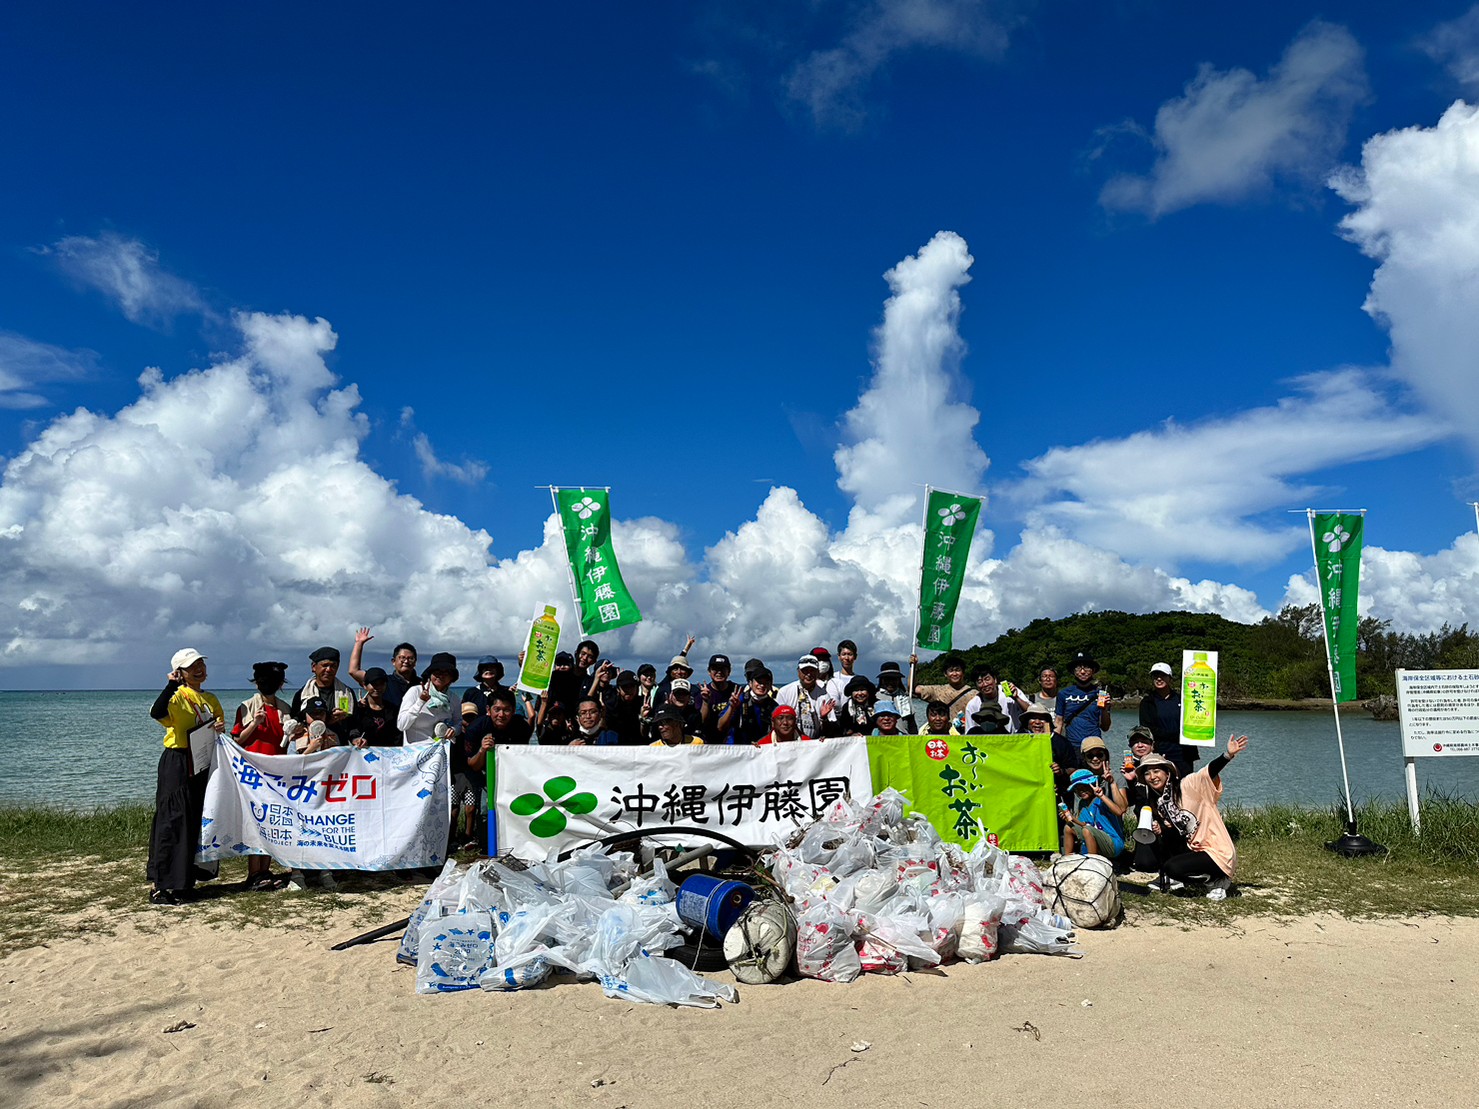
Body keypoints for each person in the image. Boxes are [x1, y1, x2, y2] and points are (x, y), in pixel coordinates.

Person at [147, 649, 224, 905]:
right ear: (181, 672)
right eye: (193, 666)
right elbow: (157, 713)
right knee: (172, 821)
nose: (199, 669)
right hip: (177, 760)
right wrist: (170, 685)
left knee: (194, 821)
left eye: (201, 664)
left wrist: (220, 730)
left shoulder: (210, 699)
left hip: (201, 762)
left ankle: (185, 882)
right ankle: (162, 885)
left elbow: (218, 730)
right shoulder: (177, 696)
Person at [1139, 735, 1248, 899]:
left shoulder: (1188, 786)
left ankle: (1217, 880)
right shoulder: (1163, 804)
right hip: (1196, 849)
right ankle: (1178, 878)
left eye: (1156, 771)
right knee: (1166, 840)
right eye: (1147, 774)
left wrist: (1227, 755)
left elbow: (1209, 771)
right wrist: (1161, 829)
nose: (1152, 777)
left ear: (1168, 773)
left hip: (1217, 851)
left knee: (1172, 868)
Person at [230, 661, 292, 892]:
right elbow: (237, 741)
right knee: (255, 822)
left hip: (277, 772)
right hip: (253, 774)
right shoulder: (246, 707)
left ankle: (265, 869)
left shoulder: (285, 708)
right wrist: (255, 723)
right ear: (256, 683)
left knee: (271, 821)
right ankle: (253, 873)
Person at [461, 689, 533, 844]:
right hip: (482, 775)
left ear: (513, 711)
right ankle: (485, 845)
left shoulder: (522, 727)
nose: (501, 715)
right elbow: (472, 765)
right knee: (485, 810)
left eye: (507, 710)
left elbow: (525, 759)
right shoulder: (475, 728)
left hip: (511, 774)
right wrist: (482, 750)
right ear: (488, 710)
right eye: (497, 709)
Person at [1139, 661, 1198, 778]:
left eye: (1163, 675)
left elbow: (1194, 722)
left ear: (1170, 678)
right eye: (1156, 676)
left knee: (1184, 788)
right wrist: (1177, 735)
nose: (1159, 679)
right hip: (1159, 753)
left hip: (1183, 754)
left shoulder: (1185, 700)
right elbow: (1148, 730)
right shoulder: (1147, 702)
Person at [1054, 651, 1110, 768]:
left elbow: (1105, 727)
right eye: (1078, 668)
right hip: (1072, 746)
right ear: (1073, 671)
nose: (1083, 671)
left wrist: (1105, 709)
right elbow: (1059, 722)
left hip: (1095, 747)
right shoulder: (1064, 694)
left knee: (1098, 782)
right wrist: (1054, 745)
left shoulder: (1100, 694)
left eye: (1087, 668)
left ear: (1093, 670)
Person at [291, 646, 356, 742]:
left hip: (339, 748)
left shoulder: (347, 693)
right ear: (314, 667)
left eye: (333, 666)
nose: (329, 669)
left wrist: (356, 738)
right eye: (325, 665)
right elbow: (297, 722)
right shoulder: (301, 695)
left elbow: (354, 723)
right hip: (310, 748)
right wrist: (328, 720)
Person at [348, 628, 419, 715]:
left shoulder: (422, 684)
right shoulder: (383, 681)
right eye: (402, 658)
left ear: (415, 662)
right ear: (393, 661)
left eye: (410, 658)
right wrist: (359, 643)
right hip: (389, 725)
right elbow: (354, 671)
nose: (406, 661)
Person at [1059, 769, 1126, 859]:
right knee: (1069, 827)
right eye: (1077, 789)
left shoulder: (1101, 800)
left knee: (1088, 830)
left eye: (1084, 787)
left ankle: (1093, 863)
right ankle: (1067, 859)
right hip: (1092, 836)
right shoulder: (1082, 804)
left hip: (1113, 842)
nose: (1081, 791)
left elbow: (1119, 812)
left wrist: (1102, 796)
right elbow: (1084, 825)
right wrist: (1071, 818)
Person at [397, 653, 460, 744]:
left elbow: (458, 722)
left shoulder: (454, 699)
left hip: (441, 752)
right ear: (430, 674)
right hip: (415, 752)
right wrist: (420, 701)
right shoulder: (415, 692)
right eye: (437, 672)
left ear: (452, 677)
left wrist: (454, 729)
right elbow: (401, 725)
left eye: (446, 673)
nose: (441, 676)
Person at [775, 655, 835, 738]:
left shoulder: (824, 695)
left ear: (817, 672)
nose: (809, 674)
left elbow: (831, 728)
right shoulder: (785, 692)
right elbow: (777, 723)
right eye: (805, 671)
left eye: (812, 670)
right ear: (798, 671)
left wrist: (824, 718)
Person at [913, 654, 976, 723]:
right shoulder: (938, 691)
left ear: (963, 672)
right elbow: (915, 689)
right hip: (945, 732)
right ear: (945, 674)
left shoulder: (974, 694)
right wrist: (913, 666)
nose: (954, 674)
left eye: (957, 670)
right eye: (951, 670)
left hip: (966, 732)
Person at [695, 654, 743, 743]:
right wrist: (705, 701)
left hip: (732, 743)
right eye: (715, 669)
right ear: (709, 671)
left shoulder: (737, 691)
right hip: (708, 743)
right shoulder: (702, 693)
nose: (719, 672)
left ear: (729, 671)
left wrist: (733, 707)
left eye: (723, 669)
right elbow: (702, 722)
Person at [962, 664, 1021, 733]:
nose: (985, 684)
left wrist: (1016, 698)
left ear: (995, 679)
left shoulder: (1009, 692)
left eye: (987, 679)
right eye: (980, 682)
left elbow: (1029, 710)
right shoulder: (972, 705)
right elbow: (969, 733)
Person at [352, 667, 402, 746]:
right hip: (363, 753)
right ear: (365, 686)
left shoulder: (393, 710)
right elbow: (353, 730)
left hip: (388, 754)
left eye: (381, 683)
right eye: (374, 684)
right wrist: (356, 739)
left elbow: (398, 735)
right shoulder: (359, 709)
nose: (378, 687)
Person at [734, 667, 778, 744]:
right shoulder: (739, 700)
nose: (762, 685)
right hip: (741, 748)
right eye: (759, 682)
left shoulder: (774, 706)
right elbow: (723, 727)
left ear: (770, 685)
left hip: (764, 748)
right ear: (750, 683)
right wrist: (731, 707)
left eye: (766, 683)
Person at [875, 662, 918, 733]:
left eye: (894, 679)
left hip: (903, 739)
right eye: (887, 679)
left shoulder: (905, 698)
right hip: (881, 740)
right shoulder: (875, 697)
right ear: (882, 680)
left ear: (899, 680)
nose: (891, 682)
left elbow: (912, 724)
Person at [607, 671, 646, 744]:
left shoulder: (643, 703)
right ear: (618, 689)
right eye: (625, 687)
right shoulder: (611, 705)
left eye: (632, 687)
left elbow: (645, 733)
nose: (628, 690)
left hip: (639, 746)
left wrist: (644, 719)